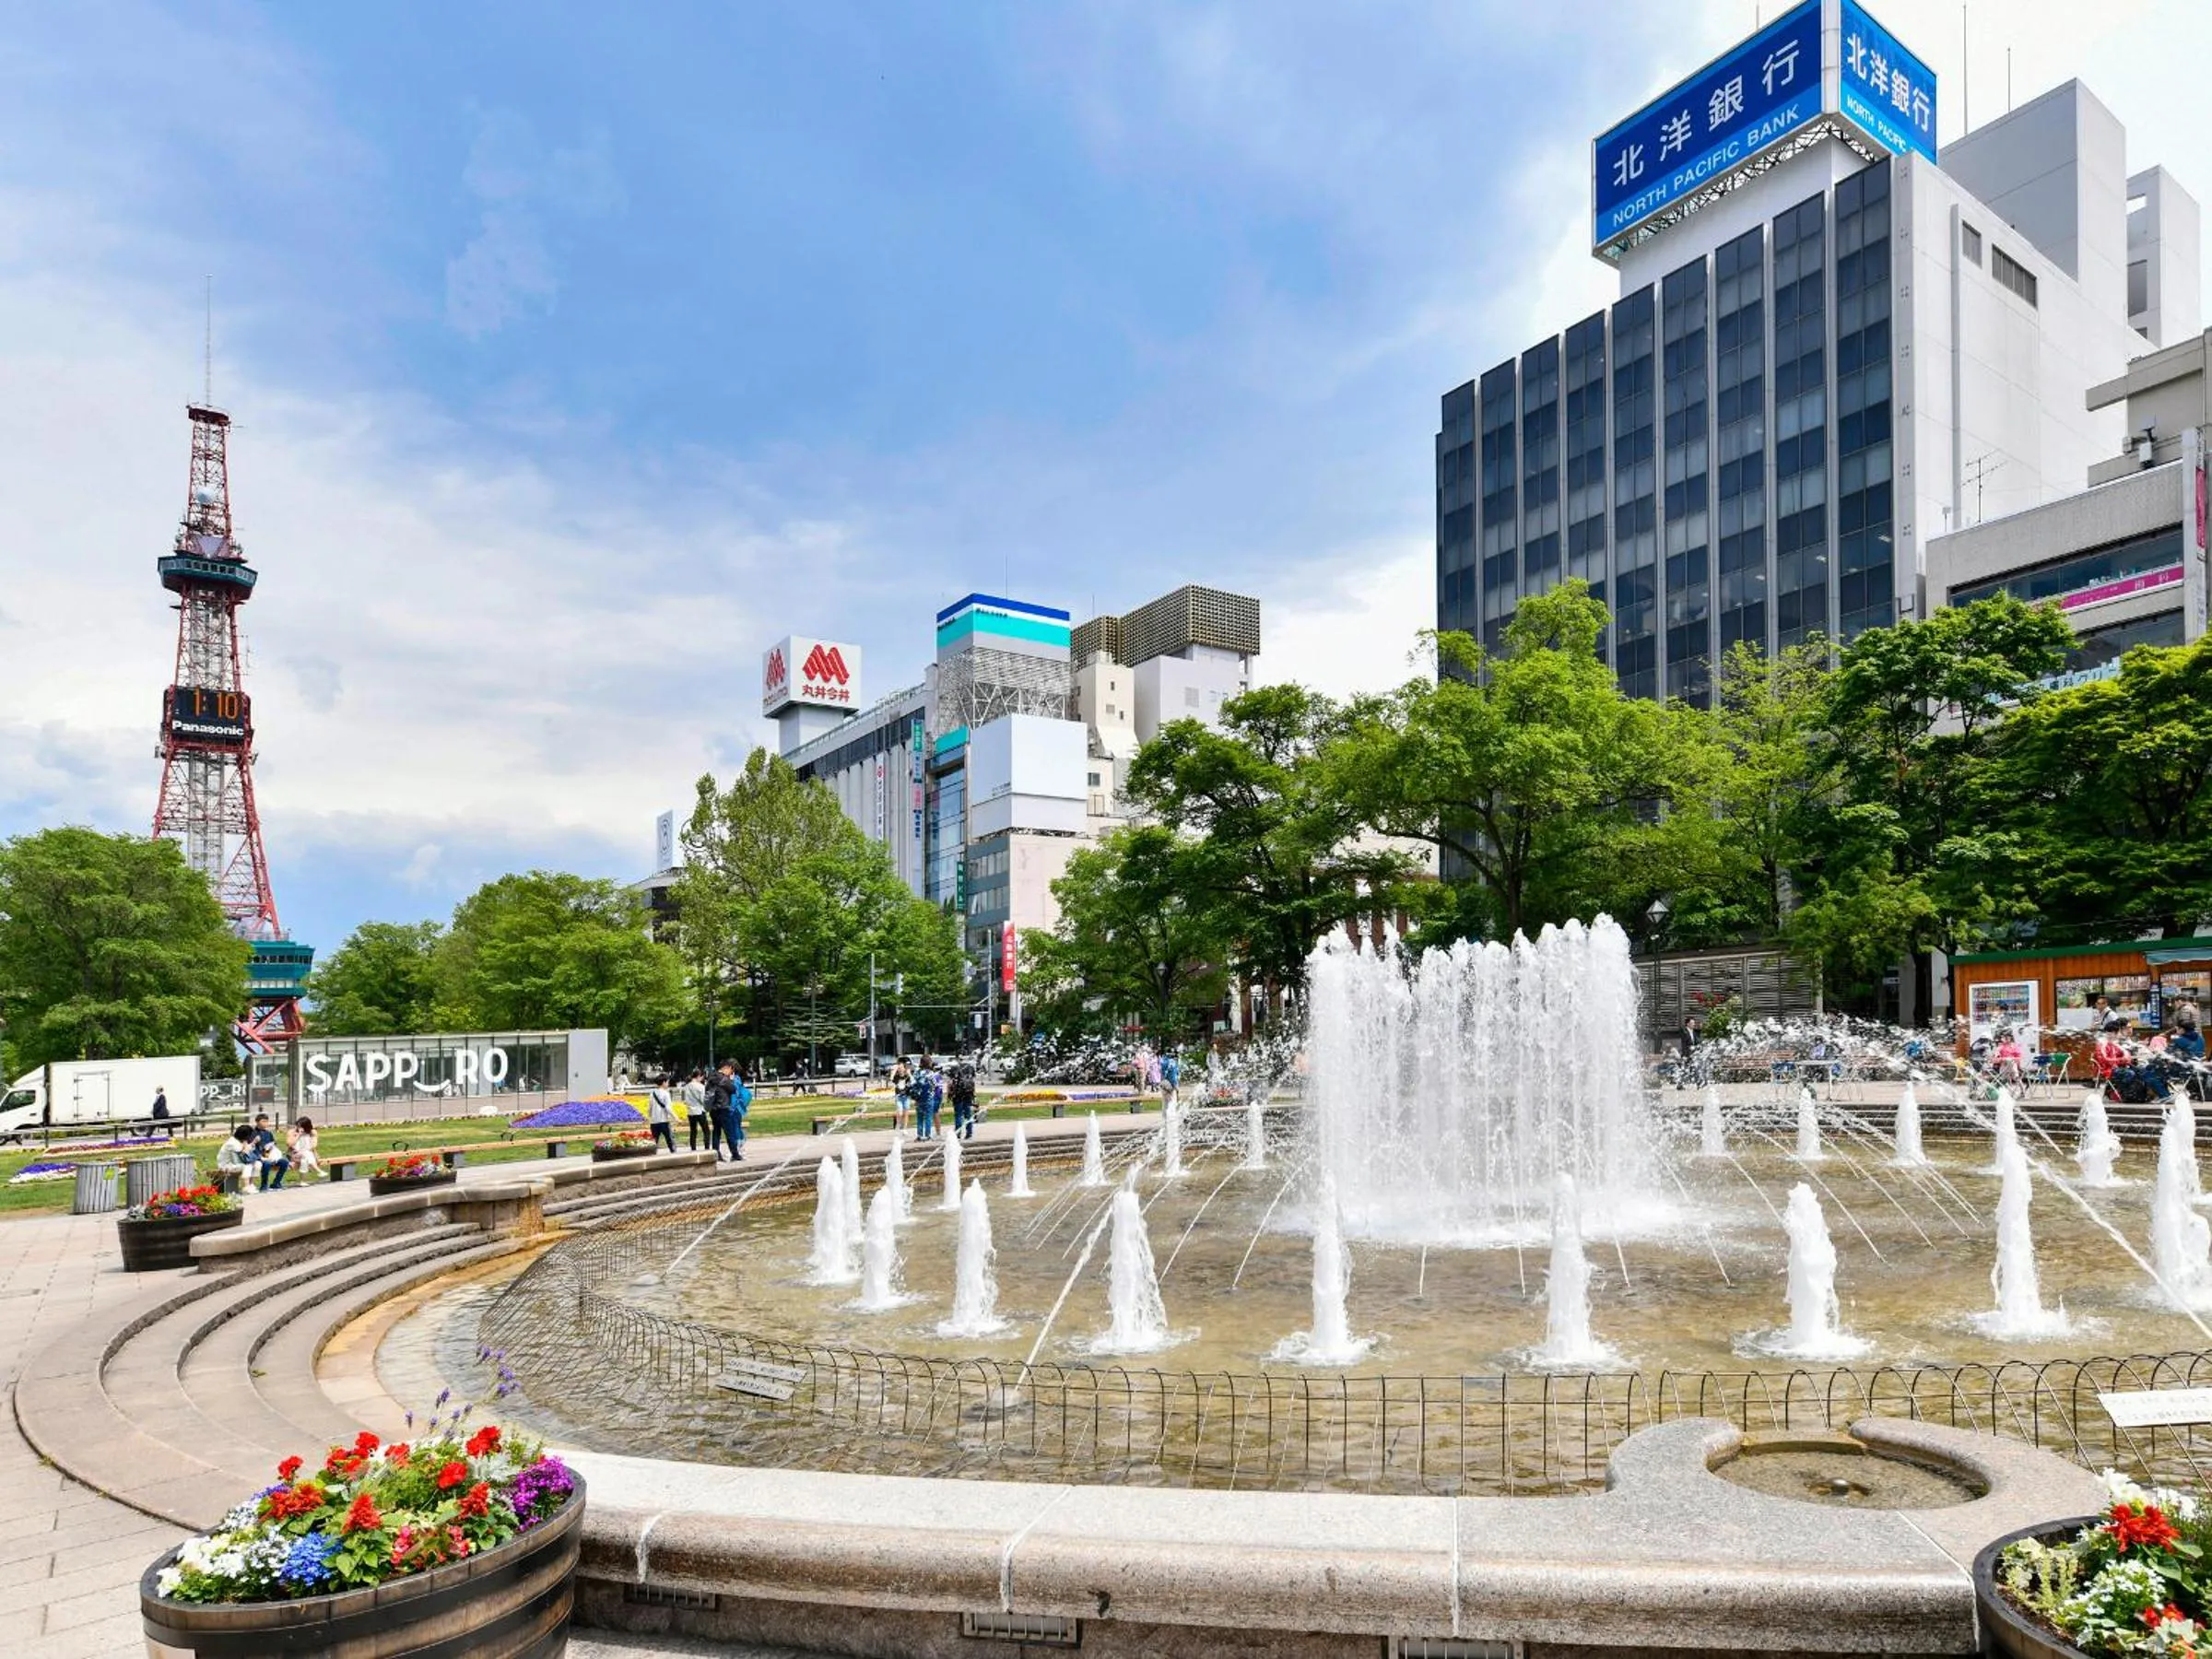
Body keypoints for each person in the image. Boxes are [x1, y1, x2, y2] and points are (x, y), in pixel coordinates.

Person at [250, 1113, 290, 1190]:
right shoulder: (252, 1133)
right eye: (263, 1121)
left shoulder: (268, 1133)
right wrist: (261, 1157)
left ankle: (276, 1183)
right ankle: (264, 1185)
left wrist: (271, 1151)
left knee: (284, 1162)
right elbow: (252, 1149)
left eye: (267, 1121)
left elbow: (272, 1145)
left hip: (268, 1155)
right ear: (257, 1122)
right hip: (258, 1157)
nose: (266, 1123)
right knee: (267, 1163)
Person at [216, 1124, 260, 1191]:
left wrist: (248, 1144)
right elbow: (244, 1152)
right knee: (247, 1166)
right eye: (250, 1135)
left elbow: (246, 1150)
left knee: (258, 1164)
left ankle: (251, 1184)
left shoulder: (239, 1141)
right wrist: (254, 1142)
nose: (250, 1137)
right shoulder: (232, 1143)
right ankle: (246, 1187)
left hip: (235, 1163)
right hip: (225, 1165)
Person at [706, 1065, 735, 1162]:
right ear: (726, 1068)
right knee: (729, 1132)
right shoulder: (724, 1079)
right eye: (731, 1070)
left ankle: (716, 1154)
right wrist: (731, 1080)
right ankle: (735, 1153)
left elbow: (707, 1091)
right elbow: (733, 1089)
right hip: (723, 1108)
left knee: (716, 1132)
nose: (731, 1073)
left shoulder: (711, 1078)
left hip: (713, 1109)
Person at [288, 1116, 323, 1181]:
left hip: (307, 1153)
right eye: (298, 1126)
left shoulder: (311, 1132)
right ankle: (319, 1171)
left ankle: (303, 1181)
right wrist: (298, 1135)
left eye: (301, 1126)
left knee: (304, 1159)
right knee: (304, 1156)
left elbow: (313, 1146)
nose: (299, 1128)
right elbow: (290, 1145)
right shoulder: (292, 1132)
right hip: (294, 1154)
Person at [727, 1066, 751, 1160]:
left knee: (735, 1128)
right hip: (737, 1108)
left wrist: (731, 1108)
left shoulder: (734, 1081)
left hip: (734, 1108)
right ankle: (739, 1148)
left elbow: (734, 1095)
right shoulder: (737, 1079)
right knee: (737, 1127)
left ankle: (737, 1149)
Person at [646, 1079, 677, 1153]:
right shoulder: (666, 1093)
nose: (668, 1084)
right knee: (670, 1141)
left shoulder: (652, 1093)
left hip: (654, 1122)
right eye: (667, 1082)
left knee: (654, 1142)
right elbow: (668, 1108)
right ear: (663, 1082)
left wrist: (649, 1117)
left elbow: (650, 1108)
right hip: (664, 1121)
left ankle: (652, 1157)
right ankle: (675, 1158)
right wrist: (675, 1117)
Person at [683, 1070, 711, 1151]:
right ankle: (707, 1148)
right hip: (699, 1111)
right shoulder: (701, 1086)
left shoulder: (686, 1086)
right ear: (699, 1076)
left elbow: (685, 1100)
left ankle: (693, 1149)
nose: (702, 1079)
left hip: (690, 1112)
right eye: (702, 1077)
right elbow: (703, 1100)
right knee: (706, 1131)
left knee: (693, 1131)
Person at [915, 1055, 941, 1141]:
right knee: (928, 1117)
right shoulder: (930, 1073)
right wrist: (931, 1093)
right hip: (929, 1098)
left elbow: (913, 1084)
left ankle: (919, 1135)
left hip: (919, 1099)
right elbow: (934, 1085)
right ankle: (927, 1135)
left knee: (920, 1118)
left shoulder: (917, 1072)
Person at [949, 1062, 977, 1140]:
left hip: (958, 1097)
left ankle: (958, 1133)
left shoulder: (957, 1076)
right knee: (968, 1115)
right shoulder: (969, 1077)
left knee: (958, 1115)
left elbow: (951, 1086)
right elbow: (973, 1089)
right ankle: (969, 1133)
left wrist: (950, 1095)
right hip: (968, 1097)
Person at [890, 1057, 913, 1138]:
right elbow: (891, 1080)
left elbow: (913, 1082)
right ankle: (898, 1125)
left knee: (906, 1113)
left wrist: (909, 1073)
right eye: (899, 1068)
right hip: (899, 1097)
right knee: (900, 1112)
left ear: (904, 1068)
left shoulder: (908, 1077)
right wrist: (893, 1072)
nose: (900, 1069)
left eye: (901, 1068)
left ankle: (904, 1128)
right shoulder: (896, 1077)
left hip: (906, 1097)